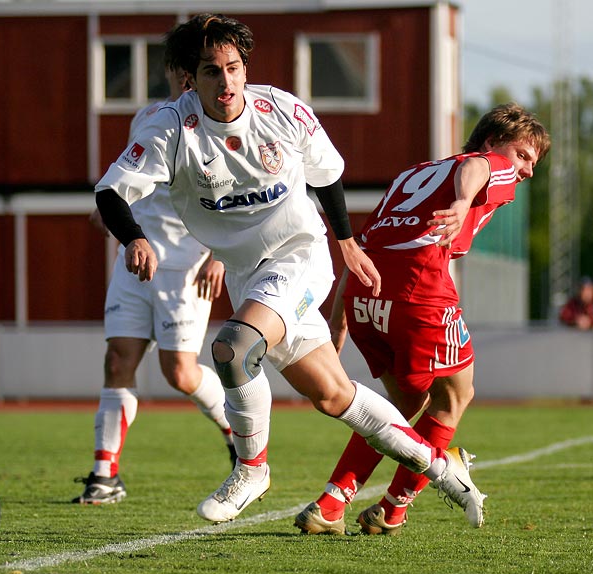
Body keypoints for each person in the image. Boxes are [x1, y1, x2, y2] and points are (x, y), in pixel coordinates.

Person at [93, 12, 486, 527]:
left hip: (300, 259)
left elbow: (328, 176)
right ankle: (443, 468)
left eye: (234, 67)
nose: (226, 81)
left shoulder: (280, 109)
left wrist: (346, 242)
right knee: (334, 395)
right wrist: (134, 237)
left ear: (244, 67)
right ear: (192, 77)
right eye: (212, 71)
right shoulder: (171, 128)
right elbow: (110, 190)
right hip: (246, 273)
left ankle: (251, 467)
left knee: (232, 349)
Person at [294, 103, 550, 535]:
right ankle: (394, 507)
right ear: (492, 141)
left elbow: (363, 246)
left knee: (402, 405)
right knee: (455, 398)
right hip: (417, 290)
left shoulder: (415, 173)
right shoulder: (486, 165)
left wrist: (337, 321)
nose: (525, 171)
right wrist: (465, 199)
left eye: (531, 163)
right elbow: (481, 168)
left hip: (364, 291)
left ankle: (332, 503)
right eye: (523, 156)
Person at [73, 56, 234, 505]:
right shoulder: (146, 117)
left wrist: (218, 255)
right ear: (170, 72)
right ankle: (104, 475)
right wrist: (110, 211)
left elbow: (234, 197)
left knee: (179, 374)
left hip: (186, 267)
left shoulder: (216, 127)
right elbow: (129, 178)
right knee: (116, 361)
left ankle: (236, 430)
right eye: (179, 68)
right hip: (135, 258)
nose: (185, 76)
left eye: (196, 68)